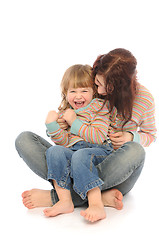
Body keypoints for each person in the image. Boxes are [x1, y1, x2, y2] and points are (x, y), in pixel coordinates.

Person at [15, 48, 157, 220]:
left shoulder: (144, 100)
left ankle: (57, 197)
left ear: (119, 86)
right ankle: (97, 196)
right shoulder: (95, 90)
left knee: (135, 150)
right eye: (96, 83)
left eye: (103, 86)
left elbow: (150, 134)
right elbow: (76, 96)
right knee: (26, 141)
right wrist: (58, 125)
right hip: (77, 158)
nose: (100, 91)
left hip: (111, 167)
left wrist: (131, 137)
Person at [43, 64, 114, 222]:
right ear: (65, 93)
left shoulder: (99, 108)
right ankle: (65, 200)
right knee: (54, 151)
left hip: (99, 151)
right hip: (75, 152)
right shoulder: (67, 112)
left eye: (84, 91)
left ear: (94, 92)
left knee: (80, 155)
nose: (78, 96)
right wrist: (52, 125)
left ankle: (96, 204)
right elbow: (63, 142)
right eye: (73, 91)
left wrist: (74, 122)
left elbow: (98, 136)